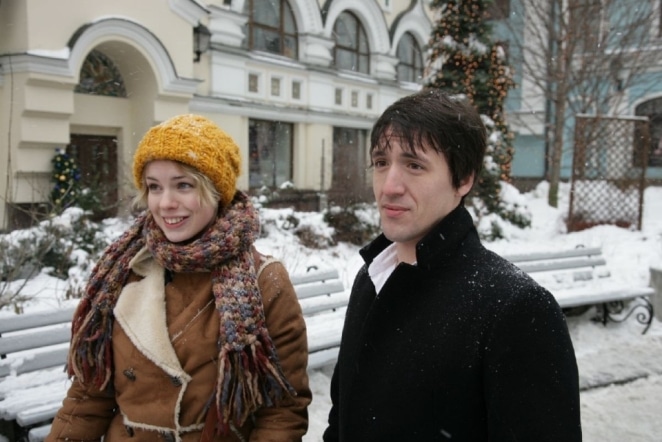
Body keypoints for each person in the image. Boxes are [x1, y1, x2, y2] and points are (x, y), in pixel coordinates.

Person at [323, 90, 582, 441]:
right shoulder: (371, 278)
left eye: (414, 165)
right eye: (381, 162)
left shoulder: (515, 308)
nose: (389, 186)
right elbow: (341, 418)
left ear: (463, 180)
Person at [47, 114, 311, 441]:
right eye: (154, 187)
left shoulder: (264, 280)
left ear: (216, 190)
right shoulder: (121, 270)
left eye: (183, 185)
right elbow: (87, 398)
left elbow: (281, 413)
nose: (165, 203)